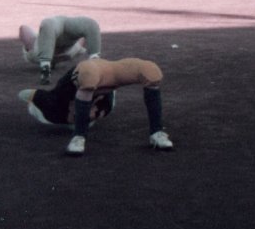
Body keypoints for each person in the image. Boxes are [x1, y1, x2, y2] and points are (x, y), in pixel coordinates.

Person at [18, 57, 174, 156]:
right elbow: (25, 94)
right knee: (53, 105)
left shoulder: (103, 106)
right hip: (75, 87)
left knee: (150, 72)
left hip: (96, 76)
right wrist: (80, 133)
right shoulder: (56, 106)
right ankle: (79, 135)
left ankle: (157, 133)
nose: (93, 114)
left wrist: (156, 129)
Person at [19, 15, 101, 85]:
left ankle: (45, 67)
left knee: (47, 25)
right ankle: (96, 61)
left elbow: (23, 29)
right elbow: (83, 38)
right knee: (91, 25)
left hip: (44, 50)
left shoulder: (35, 53)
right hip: (64, 48)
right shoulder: (72, 52)